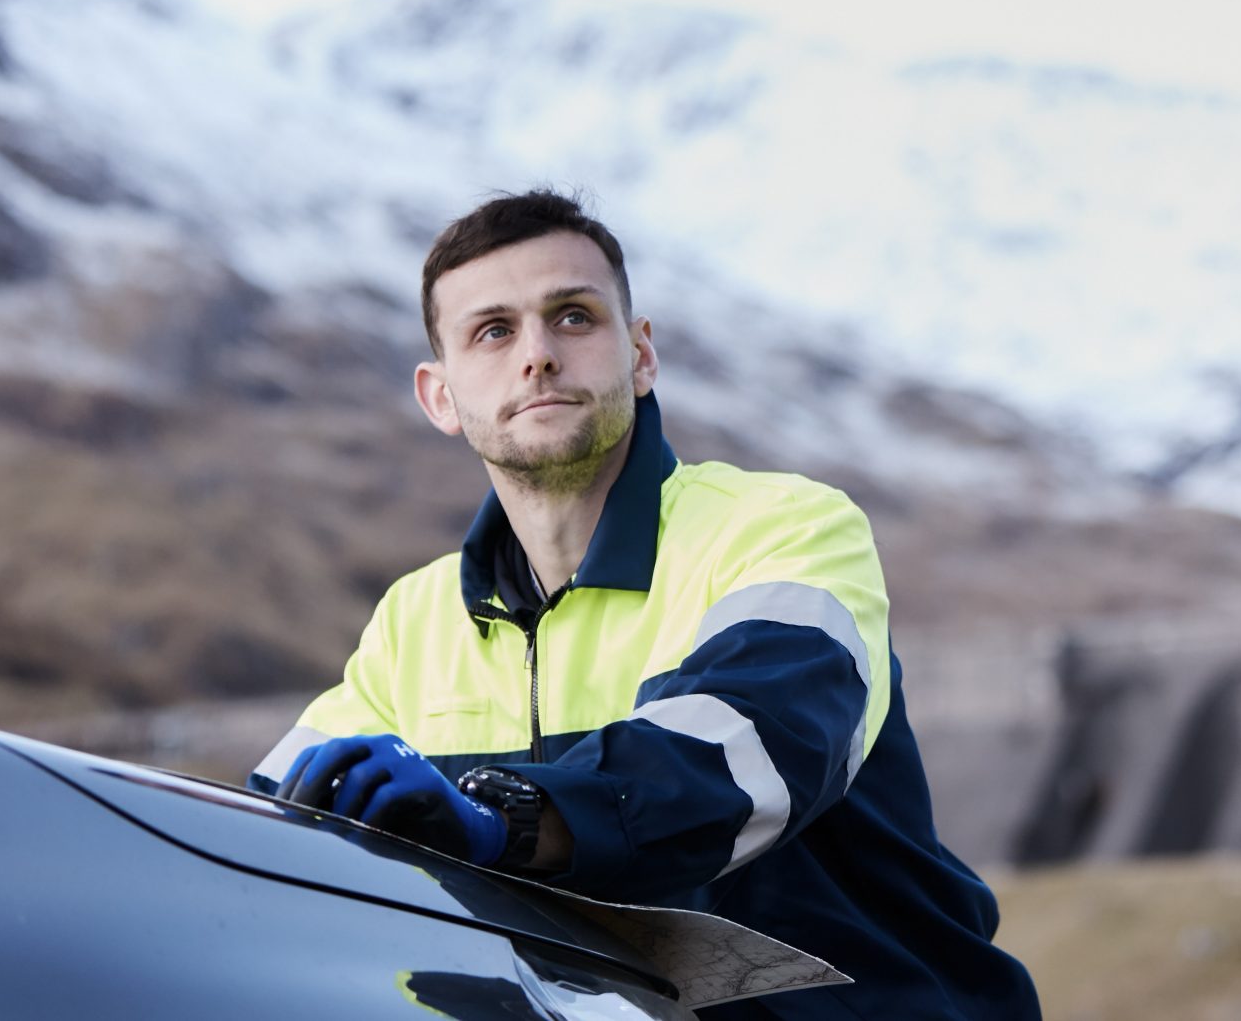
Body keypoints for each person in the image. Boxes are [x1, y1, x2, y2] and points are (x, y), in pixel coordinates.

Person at [250, 190, 1039, 1020]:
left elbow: (747, 751)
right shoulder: (412, 622)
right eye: (494, 331)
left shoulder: (786, 527)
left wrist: (502, 816)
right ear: (439, 395)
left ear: (641, 355)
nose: (538, 356)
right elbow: (266, 833)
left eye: (575, 317)